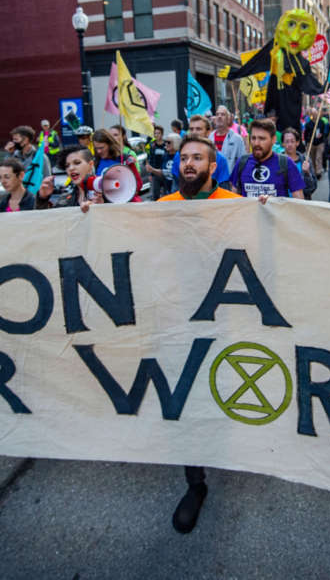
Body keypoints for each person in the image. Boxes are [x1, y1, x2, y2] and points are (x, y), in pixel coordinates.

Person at [157, 135, 243, 533]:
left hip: (225, 317)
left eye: (197, 158)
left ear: (213, 167)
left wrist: (266, 216)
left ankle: (229, 445)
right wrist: (92, 215)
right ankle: (195, 484)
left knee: (224, 384)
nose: (187, 164)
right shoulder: (161, 209)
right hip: (175, 319)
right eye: (183, 158)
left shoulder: (234, 205)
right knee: (183, 397)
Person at [230, 119, 305, 199]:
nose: (256, 143)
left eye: (262, 139)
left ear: (273, 139)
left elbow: (299, 202)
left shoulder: (287, 163)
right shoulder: (242, 162)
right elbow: (234, 200)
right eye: (253, 138)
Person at [36, 144, 104, 209]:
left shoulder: (106, 192)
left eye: (77, 163)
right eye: (67, 166)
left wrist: (103, 206)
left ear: (91, 164)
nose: (71, 168)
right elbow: (47, 219)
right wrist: (42, 198)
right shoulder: (65, 199)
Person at [170, 115, 231, 184]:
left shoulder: (220, 159)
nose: (194, 132)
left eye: (198, 129)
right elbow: (175, 187)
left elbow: (224, 189)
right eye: (191, 129)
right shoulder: (179, 156)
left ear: (208, 132)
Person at [92, 129, 142, 193]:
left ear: (110, 145)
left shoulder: (125, 159)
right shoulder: (96, 162)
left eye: (101, 148)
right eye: (96, 148)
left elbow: (138, 184)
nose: (99, 151)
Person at [281, 128, 317, 200]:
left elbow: (312, 188)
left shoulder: (305, 160)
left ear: (297, 143)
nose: (290, 144)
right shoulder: (278, 161)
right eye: (287, 142)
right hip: (283, 205)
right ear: (283, 144)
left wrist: (307, 173)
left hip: (302, 204)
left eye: (292, 141)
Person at [302, 106, 330, 178]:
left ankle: (318, 172)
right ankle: (314, 171)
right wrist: (306, 142)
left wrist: (322, 135)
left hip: (320, 143)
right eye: (313, 114)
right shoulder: (308, 124)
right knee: (312, 158)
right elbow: (305, 134)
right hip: (311, 143)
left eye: (316, 114)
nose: (315, 115)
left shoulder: (321, 122)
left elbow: (325, 131)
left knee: (318, 157)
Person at [145, 125, 170, 200]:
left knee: (166, 195)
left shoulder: (166, 144)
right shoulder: (152, 145)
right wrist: (150, 174)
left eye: (158, 133)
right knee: (155, 195)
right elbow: (150, 159)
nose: (156, 135)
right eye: (155, 133)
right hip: (155, 173)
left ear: (162, 134)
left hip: (165, 173)